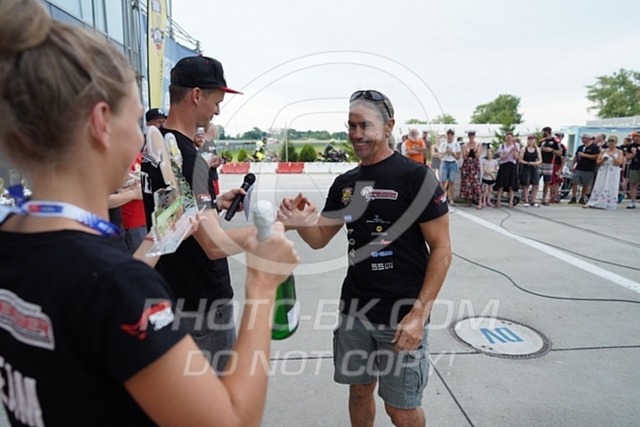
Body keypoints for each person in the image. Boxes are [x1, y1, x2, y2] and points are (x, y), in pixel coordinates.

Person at [0, 1, 298, 426]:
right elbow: (231, 421)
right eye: (138, 118)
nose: (144, 137)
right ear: (102, 122)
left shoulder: (15, 238)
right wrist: (263, 284)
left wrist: (160, 239)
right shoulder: (115, 282)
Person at [278, 89, 451, 427]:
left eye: (365, 126)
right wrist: (299, 222)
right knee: (359, 391)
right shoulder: (346, 184)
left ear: (388, 126)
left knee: (401, 410)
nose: (356, 134)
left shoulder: (415, 177)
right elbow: (319, 238)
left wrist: (419, 314)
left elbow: (442, 249)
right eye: (351, 126)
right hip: (355, 310)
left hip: (401, 315)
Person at [140, 55, 259, 373]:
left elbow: (173, 214)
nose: (217, 111)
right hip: (203, 301)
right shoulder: (190, 160)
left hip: (170, 289)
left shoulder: (156, 151)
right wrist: (271, 228)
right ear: (196, 95)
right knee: (219, 395)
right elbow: (214, 245)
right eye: (216, 102)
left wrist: (213, 204)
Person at [585, 136, 624, 210]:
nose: (611, 144)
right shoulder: (604, 151)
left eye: (613, 142)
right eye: (610, 142)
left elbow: (619, 163)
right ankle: (596, 201)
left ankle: (608, 202)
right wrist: (603, 160)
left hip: (613, 170)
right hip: (604, 169)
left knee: (610, 185)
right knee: (600, 184)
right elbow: (598, 162)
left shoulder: (619, 152)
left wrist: (613, 157)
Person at [569, 133, 601, 205]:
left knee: (585, 184)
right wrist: (572, 165)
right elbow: (576, 156)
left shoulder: (594, 147)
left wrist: (585, 155)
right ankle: (573, 197)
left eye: (584, 138)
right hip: (579, 167)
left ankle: (582, 197)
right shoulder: (580, 147)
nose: (582, 139)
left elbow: (596, 156)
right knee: (574, 182)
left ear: (588, 138)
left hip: (589, 168)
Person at [494, 133, 520, 208]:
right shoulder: (502, 146)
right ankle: (498, 201)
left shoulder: (516, 145)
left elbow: (516, 157)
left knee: (511, 184)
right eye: (507, 137)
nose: (509, 139)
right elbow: (502, 157)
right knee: (501, 184)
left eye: (510, 137)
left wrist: (514, 150)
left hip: (512, 165)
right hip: (504, 165)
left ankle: (511, 201)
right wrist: (509, 151)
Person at [538, 126, 562, 205]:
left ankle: (544, 198)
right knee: (535, 181)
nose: (542, 133)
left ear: (547, 132)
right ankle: (532, 197)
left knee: (547, 182)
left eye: (543, 132)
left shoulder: (555, 141)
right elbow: (537, 150)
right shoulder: (542, 141)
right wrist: (541, 149)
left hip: (549, 163)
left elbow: (560, 153)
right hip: (540, 163)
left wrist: (552, 150)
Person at [438, 128, 461, 205]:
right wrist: (445, 152)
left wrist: (452, 153)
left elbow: (458, 157)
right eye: (448, 137)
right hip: (444, 163)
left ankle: (451, 199)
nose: (449, 138)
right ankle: (442, 198)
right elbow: (440, 156)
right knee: (443, 181)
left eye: (451, 137)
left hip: (453, 163)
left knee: (451, 182)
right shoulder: (443, 144)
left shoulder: (456, 144)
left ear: (453, 136)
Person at [518, 135, 542, 207]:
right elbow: (520, 159)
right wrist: (528, 163)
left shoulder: (537, 149)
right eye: (529, 139)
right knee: (526, 184)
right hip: (526, 167)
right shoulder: (524, 149)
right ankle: (526, 200)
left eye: (532, 139)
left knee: (535, 184)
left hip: (534, 167)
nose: (531, 141)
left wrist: (535, 163)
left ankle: (533, 200)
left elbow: (540, 159)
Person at [460, 130, 482, 207]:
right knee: (467, 183)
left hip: (475, 165)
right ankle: (468, 201)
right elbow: (464, 157)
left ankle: (479, 202)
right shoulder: (464, 145)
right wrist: (467, 152)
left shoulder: (478, 144)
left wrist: (474, 151)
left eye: (472, 135)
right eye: (470, 136)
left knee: (476, 183)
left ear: (474, 136)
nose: (471, 137)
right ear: (468, 136)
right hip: (467, 165)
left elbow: (478, 156)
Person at [625, 131, 640, 209]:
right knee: (633, 184)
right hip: (634, 166)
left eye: (635, 136)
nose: (633, 138)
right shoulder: (630, 146)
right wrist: (633, 154)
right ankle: (632, 202)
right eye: (632, 137)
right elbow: (627, 157)